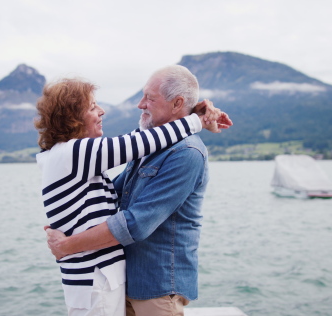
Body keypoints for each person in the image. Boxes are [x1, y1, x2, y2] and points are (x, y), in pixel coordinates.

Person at [34, 75, 230, 316]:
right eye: (93, 106)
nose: (102, 110)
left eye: (150, 98)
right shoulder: (73, 153)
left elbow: (137, 153)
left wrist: (66, 245)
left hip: (109, 281)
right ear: (72, 117)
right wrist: (197, 120)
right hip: (96, 280)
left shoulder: (73, 158)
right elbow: (140, 141)